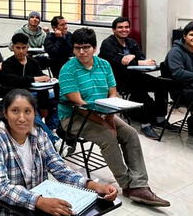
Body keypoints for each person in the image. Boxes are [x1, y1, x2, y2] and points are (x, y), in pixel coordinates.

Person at [58, 28, 170, 207]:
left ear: (94, 48)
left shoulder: (103, 64)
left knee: (131, 133)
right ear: (72, 49)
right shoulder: (68, 70)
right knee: (108, 136)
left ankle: (139, 184)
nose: (81, 52)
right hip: (74, 117)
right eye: (77, 48)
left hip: (103, 112)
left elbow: (113, 94)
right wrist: (105, 122)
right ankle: (128, 185)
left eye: (86, 47)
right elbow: (79, 105)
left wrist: (110, 117)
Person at [0, 89, 117, 216]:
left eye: (28, 111)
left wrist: (94, 186)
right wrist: (38, 201)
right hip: (5, 209)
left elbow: (60, 169)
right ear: (5, 113)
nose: (22, 118)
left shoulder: (39, 134)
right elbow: (0, 187)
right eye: (15, 111)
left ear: (35, 114)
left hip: (37, 206)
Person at [99, 17, 171, 139]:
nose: (124, 30)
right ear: (113, 30)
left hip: (135, 75)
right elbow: (119, 62)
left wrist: (133, 58)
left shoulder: (131, 42)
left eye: (126, 27)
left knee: (161, 84)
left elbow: (142, 58)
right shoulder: (108, 43)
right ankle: (145, 124)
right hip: (117, 80)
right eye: (120, 27)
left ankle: (160, 118)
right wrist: (136, 61)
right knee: (138, 87)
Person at [0, 33, 53, 122]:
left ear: (27, 47)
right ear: (13, 48)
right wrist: (34, 79)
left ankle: (51, 127)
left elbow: (41, 78)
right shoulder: (7, 64)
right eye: (18, 48)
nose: (21, 51)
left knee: (58, 98)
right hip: (17, 96)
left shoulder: (33, 62)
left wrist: (46, 78)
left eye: (24, 48)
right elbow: (13, 80)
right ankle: (49, 135)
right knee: (32, 111)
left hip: (36, 94)